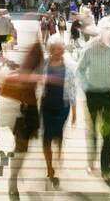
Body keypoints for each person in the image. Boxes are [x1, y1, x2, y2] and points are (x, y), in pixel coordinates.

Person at [76, 19, 110, 182]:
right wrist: (86, 86)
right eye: (108, 31)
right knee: (93, 131)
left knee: (108, 133)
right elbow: (79, 70)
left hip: (108, 94)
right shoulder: (88, 48)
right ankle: (91, 162)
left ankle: (106, 169)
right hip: (92, 95)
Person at [5, 43, 44, 195]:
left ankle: (14, 177)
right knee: (21, 148)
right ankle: (13, 179)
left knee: (21, 147)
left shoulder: (29, 69)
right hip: (25, 111)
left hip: (25, 111)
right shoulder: (29, 72)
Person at [39, 36, 77, 184]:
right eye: (55, 50)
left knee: (58, 132)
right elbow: (36, 81)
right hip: (46, 105)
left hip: (63, 106)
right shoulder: (44, 64)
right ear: (50, 50)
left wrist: (74, 111)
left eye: (61, 49)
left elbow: (73, 89)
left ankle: (59, 150)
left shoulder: (69, 66)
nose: (58, 52)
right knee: (46, 137)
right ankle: (49, 167)